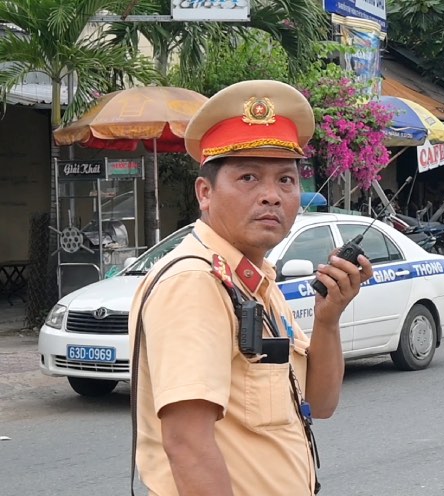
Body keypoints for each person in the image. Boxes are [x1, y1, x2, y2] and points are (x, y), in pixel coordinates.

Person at [128, 80, 374, 496]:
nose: (271, 196)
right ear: (205, 193)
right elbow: (187, 444)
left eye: (285, 180)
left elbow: (321, 402)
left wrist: (328, 319)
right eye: (248, 177)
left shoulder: (256, 283)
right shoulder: (197, 282)